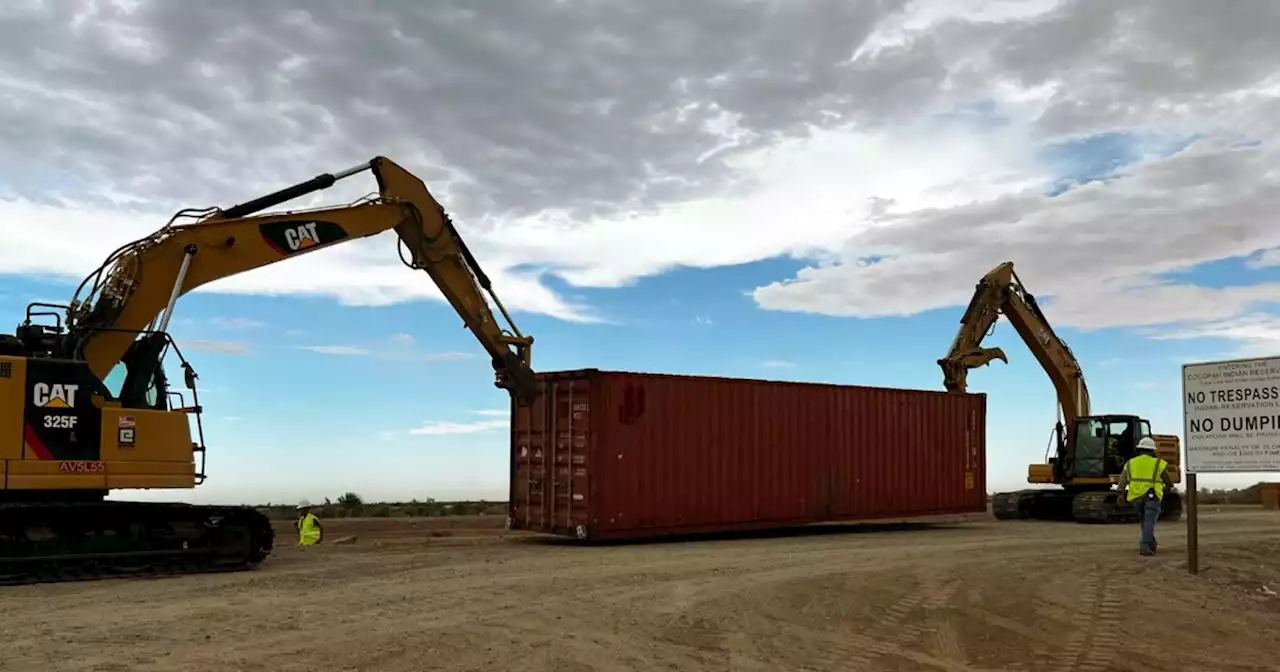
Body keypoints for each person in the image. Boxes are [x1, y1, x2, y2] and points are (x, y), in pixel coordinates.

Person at [1117, 437, 1175, 556]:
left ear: (1139, 450)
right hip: (1152, 496)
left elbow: (1122, 481)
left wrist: (1120, 494)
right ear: (1152, 451)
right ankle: (1145, 545)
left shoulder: (1130, 463)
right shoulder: (1158, 463)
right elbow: (1167, 479)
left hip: (1136, 497)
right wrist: (1169, 486)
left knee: (1145, 521)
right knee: (1149, 521)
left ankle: (1151, 544)